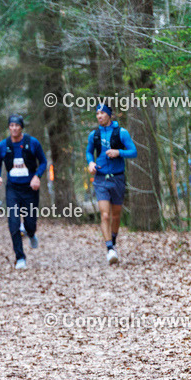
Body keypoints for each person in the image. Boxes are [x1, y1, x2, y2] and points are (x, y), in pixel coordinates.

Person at [85, 103, 137, 264]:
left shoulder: (121, 132)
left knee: (116, 215)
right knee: (105, 215)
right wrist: (90, 163)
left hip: (118, 178)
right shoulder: (94, 135)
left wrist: (118, 152)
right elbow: (89, 152)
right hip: (100, 178)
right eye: (97, 113)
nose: (99, 116)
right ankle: (109, 249)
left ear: (109, 115)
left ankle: (112, 242)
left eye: (102, 113)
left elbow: (133, 152)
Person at [0, 114, 47, 269]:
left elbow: (43, 162)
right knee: (13, 223)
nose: (14, 128)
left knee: (30, 223)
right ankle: (20, 257)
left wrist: (37, 176)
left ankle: (31, 233)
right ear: (9, 127)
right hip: (13, 189)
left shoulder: (32, 143)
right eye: (11, 125)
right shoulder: (3, 145)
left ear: (21, 127)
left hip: (30, 188)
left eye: (17, 125)